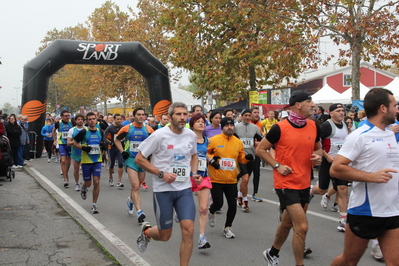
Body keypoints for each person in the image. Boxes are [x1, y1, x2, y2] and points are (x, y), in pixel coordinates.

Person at [330, 88, 399, 266]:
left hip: (392, 210)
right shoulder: (359, 136)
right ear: (383, 108)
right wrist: (372, 177)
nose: (397, 110)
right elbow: (336, 169)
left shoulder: (391, 134)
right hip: (366, 210)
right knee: (349, 261)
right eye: (395, 106)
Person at [256, 90, 322, 266]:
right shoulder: (280, 127)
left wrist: (318, 157)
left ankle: (272, 253)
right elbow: (260, 150)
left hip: (304, 182)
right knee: (301, 227)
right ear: (298, 105)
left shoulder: (314, 126)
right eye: (310, 101)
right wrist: (277, 165)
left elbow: (318, 149)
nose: (313, 105)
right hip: (286, 183)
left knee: (287, 223)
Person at [134, 102, 202, 266]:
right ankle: (147, 232)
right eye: (178, 114)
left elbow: (194, 156)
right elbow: (139, 158)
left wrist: (193, 173)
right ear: (170, 117)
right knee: (165, 236)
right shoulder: (159, 135)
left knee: (189, 230)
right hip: (163, 190)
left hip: (184, 189)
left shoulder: (190, 135)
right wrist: (161, 174)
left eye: (185, 114)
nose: (182, 117)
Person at [207, 117, 253, 238]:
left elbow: (240, 157)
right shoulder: (213, 140)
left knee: (232, 205)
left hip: (232, 179)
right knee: (218, 204)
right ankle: (211, 211)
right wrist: (212, 160)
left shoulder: (238, 142)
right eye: (227, 125)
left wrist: (247, 158)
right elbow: (206, 153)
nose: (229, 127)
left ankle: (227, 227)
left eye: (231, 125)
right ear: (222, 127)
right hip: (217, 179)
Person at [310, 103, 349, 232]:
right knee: (322, 189)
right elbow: (316, 143)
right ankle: (311, 191)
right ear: (331, 113)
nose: (342, 113)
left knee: (342, 189)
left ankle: (343, 220)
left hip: (340, 163)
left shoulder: (344, 125)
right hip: (328, 161)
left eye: (343, 110)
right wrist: (326, 156)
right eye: (338, 111)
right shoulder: (326, 126)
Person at [115, 108, 154, 224]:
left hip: (143, 160)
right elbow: (116, 140)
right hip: (131, 160)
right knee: (136, 186)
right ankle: (139, 212)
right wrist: (122, 151)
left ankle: (131, 200)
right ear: (134, 116)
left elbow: (155, 143)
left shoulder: (149, 129)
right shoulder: (127, 128)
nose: (141, 117)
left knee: (138, 185)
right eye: (139, 115)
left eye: (143, 115)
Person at [188, 113, 213, 249]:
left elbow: (206, 154)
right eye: (198, 121)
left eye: (203, 121)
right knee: (185, 208)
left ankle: (202, 238)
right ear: (192, 125)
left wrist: (212, 160)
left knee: (204, 209)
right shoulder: (187, 139)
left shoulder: (207, 140)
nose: (201, 123)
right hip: (187, 177)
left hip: (203, 176)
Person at [73, 112, 105, 214]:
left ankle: (94, 205)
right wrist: (83, 147)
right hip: (86, 161)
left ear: (96, 120)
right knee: (88, 183)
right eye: (90, 119)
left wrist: (103, 147)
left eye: (93, 119)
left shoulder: (100, 131)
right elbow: (74, 143)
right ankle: (84, 187)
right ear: (87, 121)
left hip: (97, 160)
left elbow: (103, 144)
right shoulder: (83, 132)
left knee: (96, 182)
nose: (92, 121)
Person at [235, 109, 263, 210]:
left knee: (246, 180)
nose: (247, 117)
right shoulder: (236, 127)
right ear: (241, 116)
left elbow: (262, 140)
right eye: (245, 115)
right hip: (240, 157)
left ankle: (239, 194)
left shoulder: (255, 128)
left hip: (252, 157)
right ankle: (244, 200)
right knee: (245, 178)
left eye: (249, 115)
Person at [53, 110, 74, 188]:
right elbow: (53, 130)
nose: (67, 117)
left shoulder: (72, 123)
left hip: (70, 144)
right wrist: (55, 140)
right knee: (63, 160)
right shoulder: (58, 123)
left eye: (68, 115)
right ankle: (65, 178)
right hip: (62, 144)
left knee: (68, 161)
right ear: (61, 117)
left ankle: (66, 173)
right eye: (65, 116)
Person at [104, 113, 124, 188]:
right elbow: (104, 138)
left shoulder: (122, 127)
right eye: (118, 119)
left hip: (120, 148)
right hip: (112, 148)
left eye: (120, 119)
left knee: (120, 163)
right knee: (112, 164)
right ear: (114, 119)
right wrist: (111, 143)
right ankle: (110, 177)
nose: (119, 120)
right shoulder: (110, 128)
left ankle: (119, 180)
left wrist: (122, 140)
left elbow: (125, 136)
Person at [67, 114, 85, 192]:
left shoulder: (86, 129)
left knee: (85, 169)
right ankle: (77, 183)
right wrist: (75, 143)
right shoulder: (72, 130)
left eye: (81, 119)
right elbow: (68, 142)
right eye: (78, 119)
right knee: (76, 169)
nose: (80, 120)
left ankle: (84, 182)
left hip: (84, 152)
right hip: (75, 152)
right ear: (75, 121)